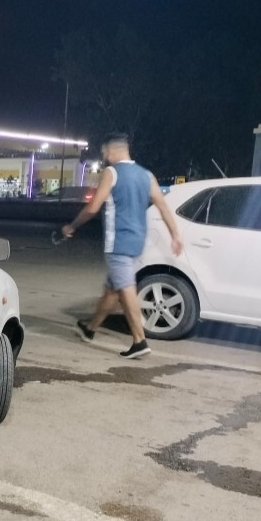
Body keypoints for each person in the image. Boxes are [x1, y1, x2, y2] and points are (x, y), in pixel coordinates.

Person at [60, 133, 183, 358]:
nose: (105, 156)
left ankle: (139, 341)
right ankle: (90, 329)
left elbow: (93, 207)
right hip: (137, 242)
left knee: (126, 288)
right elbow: (164, 207)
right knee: (112, 289)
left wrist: (72, 226)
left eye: (106, 152)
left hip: (118, 243)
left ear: (114, 150)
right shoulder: (147, 175)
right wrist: (175, 235)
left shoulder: (111, 173)